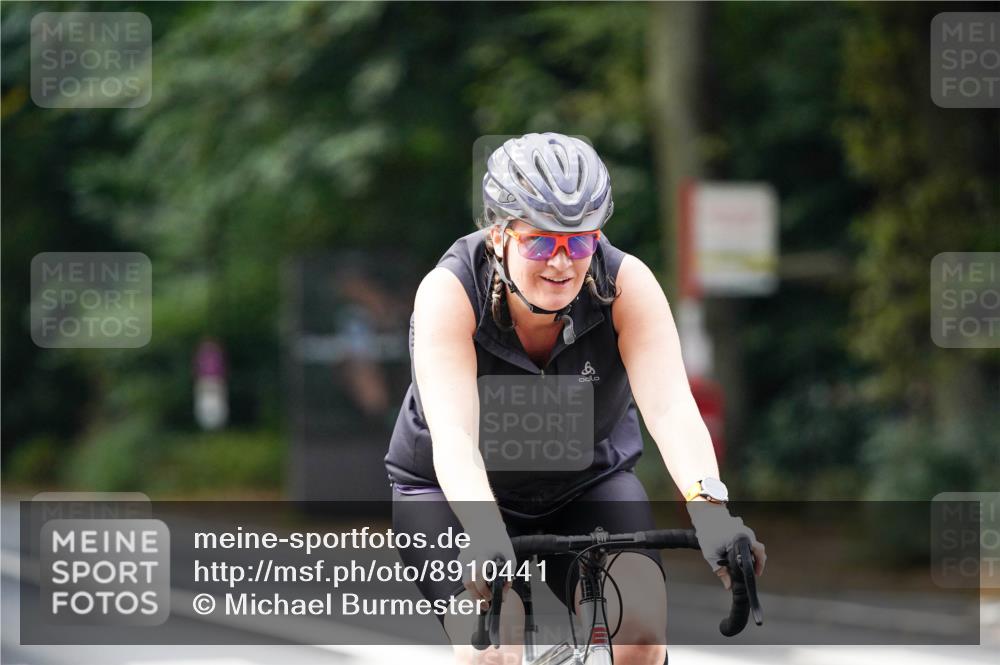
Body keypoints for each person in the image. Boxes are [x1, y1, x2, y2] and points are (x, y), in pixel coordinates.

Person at [385, 132, 766, 664]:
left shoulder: (626, 285)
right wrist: (484, 531)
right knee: (495, 645)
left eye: (580, 242)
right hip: (451, 494)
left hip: (586, 483)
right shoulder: (449, 293)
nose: (562, 263)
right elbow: (453, 437)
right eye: (541, 243)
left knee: (639, 633)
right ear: (498, 237)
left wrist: (712, 514)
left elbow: (672, 409)